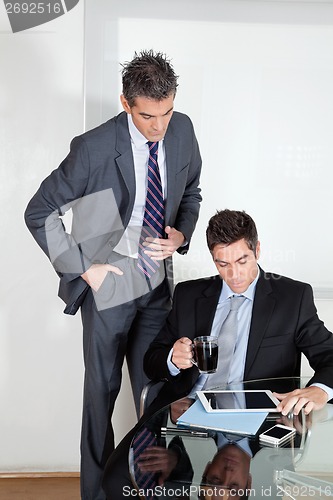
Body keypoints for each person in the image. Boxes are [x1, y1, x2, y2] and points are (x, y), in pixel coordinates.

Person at [24, 50, 202, 500]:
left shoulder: (182, 130)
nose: (159, 126)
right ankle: (97, 495)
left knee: (157, 393)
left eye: (166, 113)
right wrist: (84, 269)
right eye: (147, 116)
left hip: (158, 282)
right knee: (101, 396)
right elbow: (39, 211)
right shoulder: (93, 148)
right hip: (110, 285)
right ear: (125, 103)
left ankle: (153, 490)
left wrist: (181, 234)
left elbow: (193, 192)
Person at [102, 209, 333, 499]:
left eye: (242, 260)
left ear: (257, 250)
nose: (234, 274)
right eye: (222, 264)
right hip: (184, 418)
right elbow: (152, 360)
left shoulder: (292, 297)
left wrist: (320, 390)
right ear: (213, 258)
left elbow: (329, 356)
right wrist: (172, 359)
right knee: (116, 482)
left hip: (260, 424)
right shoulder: (189, 295)